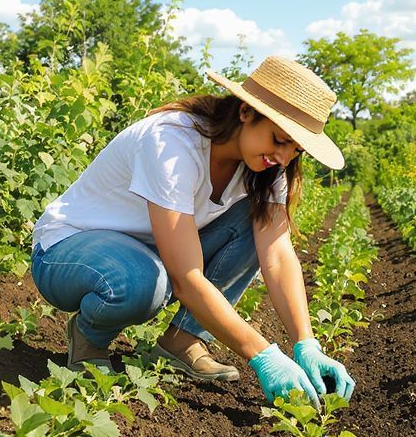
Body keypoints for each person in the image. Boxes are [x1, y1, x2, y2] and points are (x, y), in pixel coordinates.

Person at [30, 56, 356, 409]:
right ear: (246, 112)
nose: (284, 157)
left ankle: (181, 341)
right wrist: (262, 354)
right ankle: (88, 338)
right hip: (68, 251)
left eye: (296, 150)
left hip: (152, 253)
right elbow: (185, 277)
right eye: (279, 139)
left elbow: (277, 254)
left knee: (253, 216)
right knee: (141, 282)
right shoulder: (172, 143)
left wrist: (306, 344)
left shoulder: (267, 166)